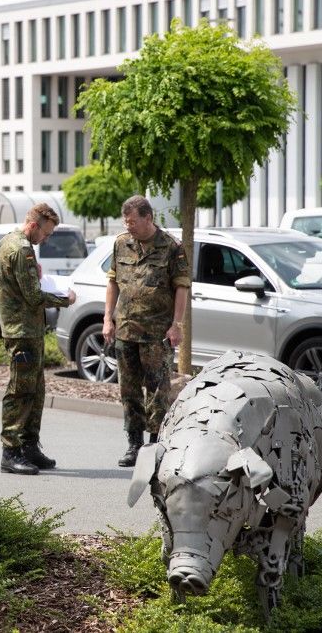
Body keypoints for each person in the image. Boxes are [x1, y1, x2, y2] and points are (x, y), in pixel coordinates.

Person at [103, 195, 190, 468]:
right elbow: (113, 282)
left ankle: (155, 444)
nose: (128, 226)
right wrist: (108, 318)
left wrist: (177, 325)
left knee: (157, 391)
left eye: (133, 222)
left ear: (148, 218)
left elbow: (182, 288)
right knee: (128, 390)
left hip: (156, 333)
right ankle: (134, 443)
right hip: (126, 329)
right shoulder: (121, 244)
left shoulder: (171, 247)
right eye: (125, 221)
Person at [0, 204, 76, 475]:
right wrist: (65, 299)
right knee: (20, 391)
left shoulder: (7, 241)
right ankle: (11, 451)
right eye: (47, 233)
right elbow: (33, 296)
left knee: (36, 390)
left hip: (25, 329)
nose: (47, 239)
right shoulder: (22, 249)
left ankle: (29, 447)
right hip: (23, 331)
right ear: (34, 225)